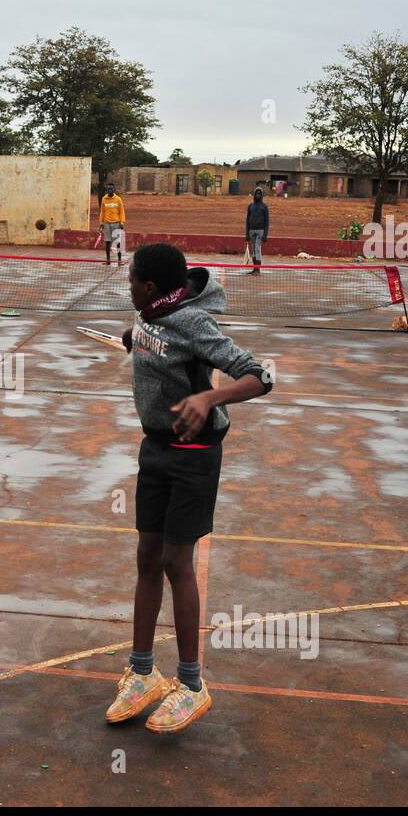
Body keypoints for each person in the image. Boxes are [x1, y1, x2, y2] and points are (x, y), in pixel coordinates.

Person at [108, 243, 273, 733]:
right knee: (146, 557)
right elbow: (149, 338)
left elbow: (261, 376)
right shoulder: (150, 315)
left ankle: (192, 685)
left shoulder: (194, 323)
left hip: (194, 456)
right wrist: (133, 340)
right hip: (155, 448)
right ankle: (142, 674)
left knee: (177, 563)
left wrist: (209, 395)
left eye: (132, 279)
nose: (128, 285)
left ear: (152, 287)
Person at [99, 183, 126, 265]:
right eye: (108, 189)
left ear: (114, 190)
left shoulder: (118, 199)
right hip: (107, 224)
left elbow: (122, 211)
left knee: (118, 242)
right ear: (106, 190)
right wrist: (101, 222)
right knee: (107, 242)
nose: (110, 190)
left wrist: (122, 222)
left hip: (116, 223)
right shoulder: (104, 199)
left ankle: (119, 261)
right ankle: (108, 261)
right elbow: (102, 212)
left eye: (111, 189)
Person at [245, 187, 269, 274]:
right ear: (254, 195)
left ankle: (257, 269)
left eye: (259, 194)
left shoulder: (264, 207)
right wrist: (247, 234)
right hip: (251, 231)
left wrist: (265, 235)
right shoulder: (250, 206)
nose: (258, 195)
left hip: (260, 231)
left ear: (262, 195)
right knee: (254, 250)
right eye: (256, 193)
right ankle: (254, 269)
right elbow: (247, 220)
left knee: (258, 249)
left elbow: (267, 222)